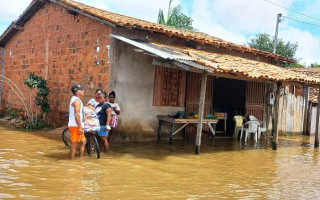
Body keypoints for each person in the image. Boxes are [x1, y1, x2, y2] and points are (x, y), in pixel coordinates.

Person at [68, 84, 86, 160]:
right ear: (78, 92)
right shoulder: (76, 101)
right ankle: (71, 161)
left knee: (83, 141)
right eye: (82, 90)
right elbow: (77, 115)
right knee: (74, 143)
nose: (83, 91)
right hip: (76, 126)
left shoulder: (76, 99)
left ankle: (80, 159)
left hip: (77, 125)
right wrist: (80, 127)